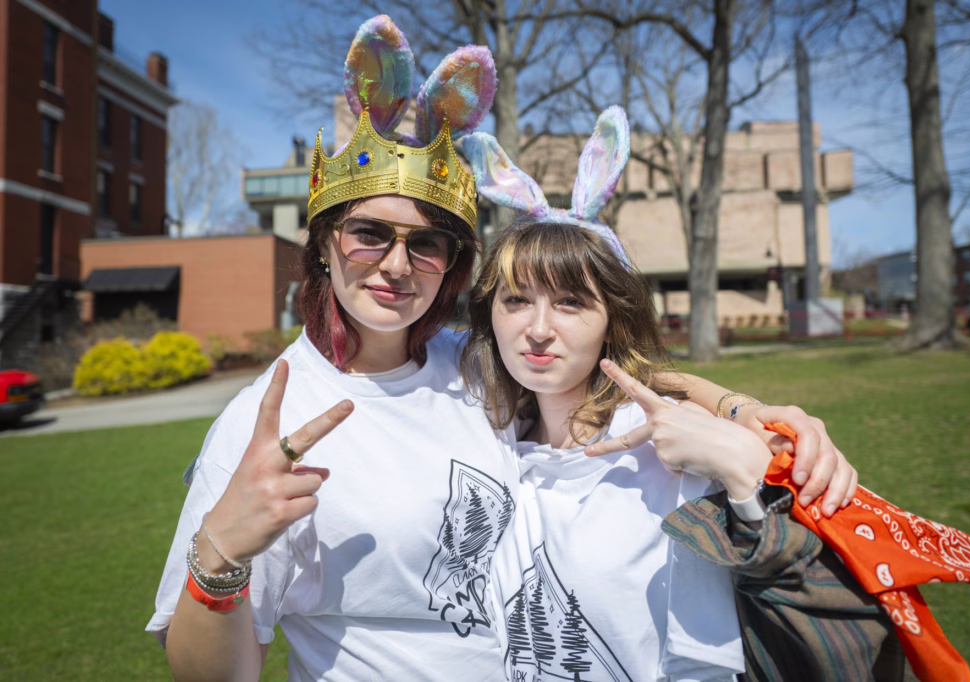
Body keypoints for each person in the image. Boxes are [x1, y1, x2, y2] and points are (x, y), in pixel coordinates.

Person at [148, 19, 856, 681]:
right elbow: (214, 672)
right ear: (324, 246)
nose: (395, 265)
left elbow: (605, 367)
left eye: (425, 244)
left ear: (452, 268)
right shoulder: (262, 426)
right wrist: (221, 556)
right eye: (368, 233)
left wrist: (742, 407)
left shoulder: (469, 362)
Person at [459, 108, 897, 681]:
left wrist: (746, 444)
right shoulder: (484, 435)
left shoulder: (675, 449)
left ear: (613, 319)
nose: (539, 328)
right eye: (516, 300)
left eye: (570, 303)